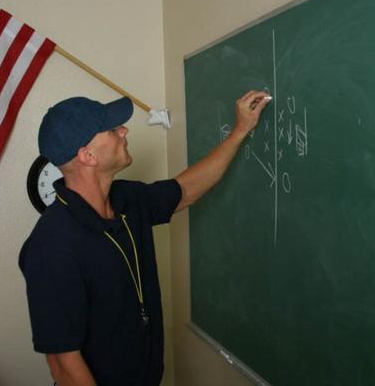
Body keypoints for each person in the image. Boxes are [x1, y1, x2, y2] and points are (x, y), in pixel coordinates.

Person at [19, 90, 270, 386]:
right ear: (87, 155)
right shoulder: (51, 247)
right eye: (113, 129)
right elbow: (64, 364)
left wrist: (240, 131)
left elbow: (186, 190)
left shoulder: (127, 198)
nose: (124, 130)